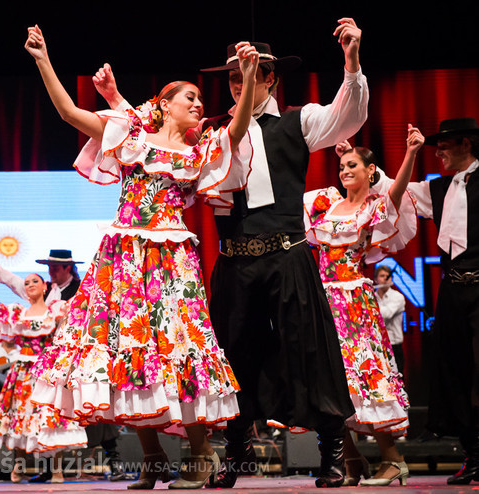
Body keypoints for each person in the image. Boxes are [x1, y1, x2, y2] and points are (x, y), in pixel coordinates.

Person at [95, 17, 368, 488]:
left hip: (288, 254)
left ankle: (333, 455)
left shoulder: (297, 120)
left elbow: (348, 116)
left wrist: (351, 63)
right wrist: (118, 103)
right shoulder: (210, 133)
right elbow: (153, 142)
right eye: (233, 76)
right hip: (236, 261)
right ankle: (238, 456)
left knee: (310, 350)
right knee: (231, 355)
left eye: (248, 73)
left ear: (270, 78)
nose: (238, 81)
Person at [24, 25, 258, 490]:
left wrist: (249, 77)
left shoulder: (198, 151)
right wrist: (42, 60)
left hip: (171, 260)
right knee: (130, 352)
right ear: (164, 104)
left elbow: (240, 125)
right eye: (188, 97)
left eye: (200, 100)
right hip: (125, 260)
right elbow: (69, 112)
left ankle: (199, 454)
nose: (198, 104)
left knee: (178, 345)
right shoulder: (131, 138)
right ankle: (151, 460)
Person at [304, 125, 423, 486]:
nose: (345, 172)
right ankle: (352, 460)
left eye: (353, 165)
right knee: (330, 382)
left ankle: (393, 458)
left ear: (370, 172)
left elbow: (397, 195)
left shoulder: (372, 207)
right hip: (323, 299)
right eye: (341, 167)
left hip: (353, 302)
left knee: (365, 375)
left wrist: (411, 153)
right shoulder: (324, 203)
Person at [0, 245, 126, 480]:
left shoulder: (79, 290)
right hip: (51, 359)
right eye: (48, 268)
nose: (51, 272)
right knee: (47, 410)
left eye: (55, 268)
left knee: (91, 402)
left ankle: (115, 458)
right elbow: (14, 282)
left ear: (68, 267)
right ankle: (50, 468)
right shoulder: (45, 291)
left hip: (78, 353)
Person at [0, 265, 87, 484]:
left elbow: (81, 302)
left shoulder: (55, 310)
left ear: (45, 286)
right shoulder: (18, 313)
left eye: (35, 281)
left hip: (46, 370)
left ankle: (56, 470)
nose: (30, 285)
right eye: (26, 283)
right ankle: (17, 468)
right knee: (20, 418)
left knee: (50, 417)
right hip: (23, 373)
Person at [403, 118, 479, 485]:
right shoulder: (440, 188)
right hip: (452, 289)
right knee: (455, 370)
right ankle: (474, 455)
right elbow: (392, 189)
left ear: (466, 143)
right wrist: (410, 152)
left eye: (445, 144)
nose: (439, 152)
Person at [374, 266, 407, 374]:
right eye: (382, 276)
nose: (385, 279)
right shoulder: (372, 297)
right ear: (375, 279)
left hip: (394, 346)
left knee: (397, 381)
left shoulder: (398, 297)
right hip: (377, 346)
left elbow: (386, 314)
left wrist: (370, 305)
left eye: (388, 276)